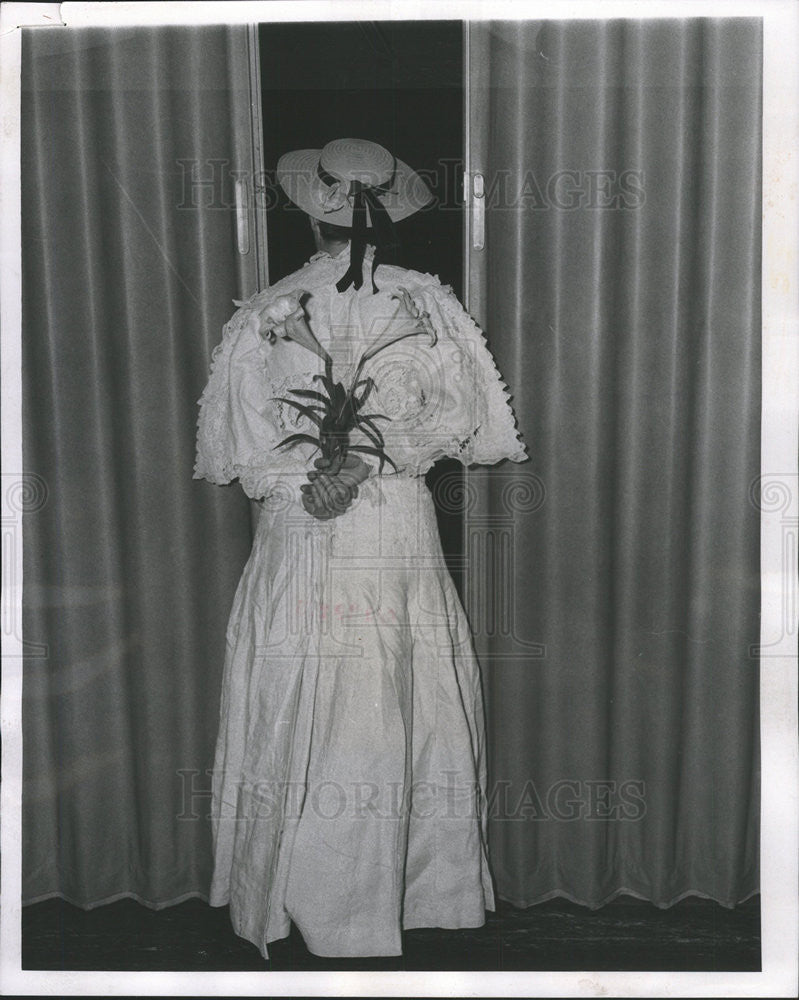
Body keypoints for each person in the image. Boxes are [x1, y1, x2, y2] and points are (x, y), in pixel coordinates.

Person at [194, 138, 528, 959]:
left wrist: (315, 479)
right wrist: (357, 467)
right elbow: (463, 421)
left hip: (308, 522)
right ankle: (402, 892)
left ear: (311, 209)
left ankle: (303, 893)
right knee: (387, 679)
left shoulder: (263, 309)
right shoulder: (427, 304)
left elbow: (239, 443)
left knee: (315, 678)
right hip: (381, 519)